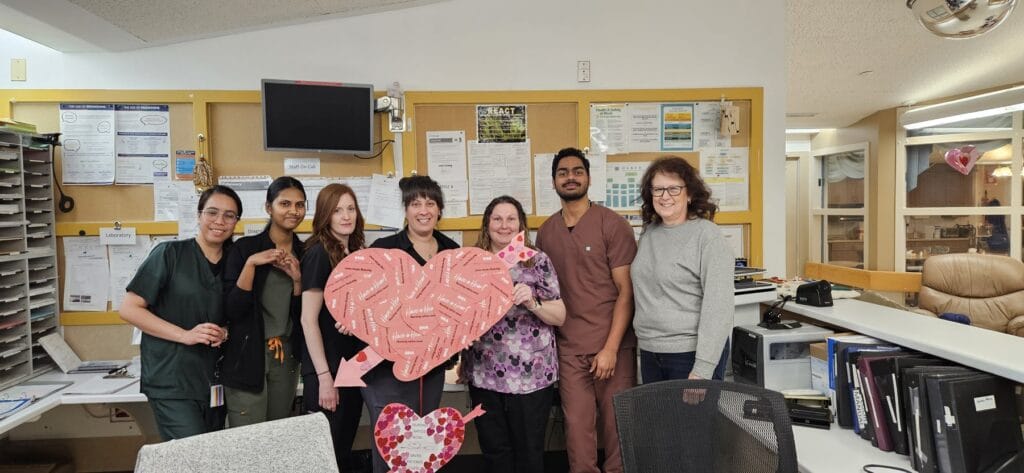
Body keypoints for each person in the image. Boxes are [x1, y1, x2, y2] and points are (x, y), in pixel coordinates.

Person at [535, 147, 637, 473]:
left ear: (588, 178)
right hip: (569, 348)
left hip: (613, 345)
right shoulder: (546, 233)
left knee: (618, 431)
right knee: (577, 434)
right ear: (553, 181)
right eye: (563, 172)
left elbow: (626, 292)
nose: (570, 177)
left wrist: (609, 349)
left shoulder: (613, 225)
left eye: (577, 171)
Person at [119, 185, 240, 440]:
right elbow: (129, 309)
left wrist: (226, 332)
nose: (220, 221)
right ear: (199, 215)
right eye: (212, 212)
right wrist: (184, 335)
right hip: (172, 380)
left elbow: (241, 313)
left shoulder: (236, 261)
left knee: (210, 455)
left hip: (215, 382)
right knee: (190, 458)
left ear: (236, 222)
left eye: (229, 215)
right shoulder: (169, 254)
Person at [363, 175, 459, 473]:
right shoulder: (385, 248)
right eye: (415, 203)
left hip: (432, 366)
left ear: (439, 209)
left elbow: (459, 306)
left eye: (430, 203)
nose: (423, 210)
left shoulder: (451, 250)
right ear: (405, 210)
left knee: (423, 444)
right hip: (387, 367)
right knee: (391, 444)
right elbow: (367, 302)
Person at [463, 195, 566, 473]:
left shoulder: (537, 261)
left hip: (531, 377)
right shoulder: (473, 263)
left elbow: (560, 315)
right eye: (497, 218)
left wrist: (533, 302)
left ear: (521, 224)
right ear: (487, 224)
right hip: (485, 373)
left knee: (529, 452)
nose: (504, 225)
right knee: (495, 451)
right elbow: (459, 316)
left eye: (511, 219)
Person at [631, 156, 734, 383]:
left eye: (674, 189)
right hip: (651, 351)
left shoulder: (707, 236)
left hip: (689, 355)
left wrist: (703, 369)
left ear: (689, 194)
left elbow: (719, 308)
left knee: (691, 419)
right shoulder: (650, 234)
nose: (665, 196)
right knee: (658, 420)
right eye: (658, 190)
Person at [221, 176, 306, 427]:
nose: (293, 211)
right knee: (247, 437)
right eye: (285, 204)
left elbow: (307, 316)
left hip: (286, 356)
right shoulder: (245, 249)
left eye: (300, 205)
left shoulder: (307, 252)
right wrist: (251, 264)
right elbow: (232, 310)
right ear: (269, 207)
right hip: (248, 354)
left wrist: (298, 281)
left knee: (278, 434)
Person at [300, 183, 370, 471]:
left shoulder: (354, 250)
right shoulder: (319, 253)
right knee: (325, 456)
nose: (346, 216)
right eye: (337, 210)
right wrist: (324, 377)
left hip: (352, 367)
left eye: (351, 208)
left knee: (341, 449)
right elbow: (308, 319)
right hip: (328, 369)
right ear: (325, 215)